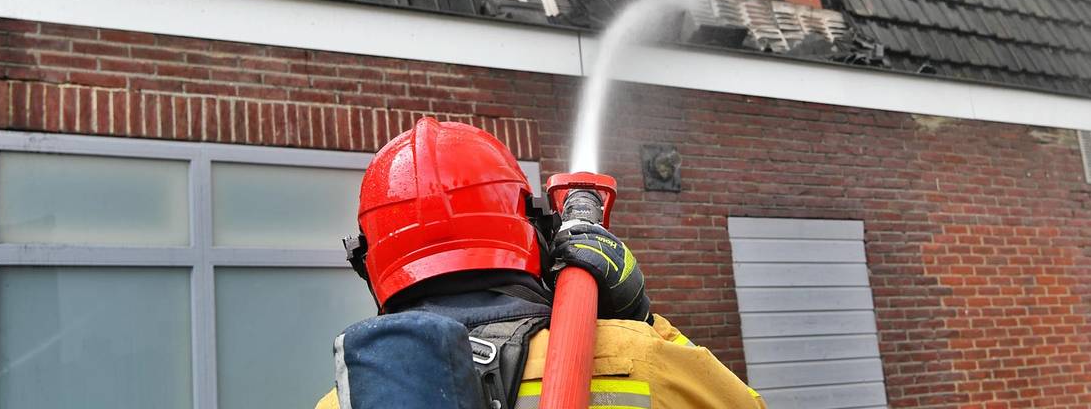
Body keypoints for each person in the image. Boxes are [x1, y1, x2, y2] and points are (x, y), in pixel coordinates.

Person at [315, 117, 765, 409]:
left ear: (371, 263)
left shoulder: (344, 400)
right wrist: (641, 319)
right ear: (536, 232)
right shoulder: (633, 356)